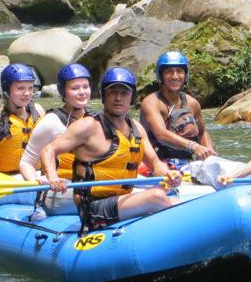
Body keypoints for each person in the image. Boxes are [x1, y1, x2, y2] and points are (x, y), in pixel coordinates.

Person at [40, 67, 181, 232]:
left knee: (178, 200)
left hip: (123, 200)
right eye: (112, 92)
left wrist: (168, 174)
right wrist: (52, 177)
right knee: (156, 196)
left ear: (132, 97)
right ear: (103, 96)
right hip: (93, 209)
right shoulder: (88, 126)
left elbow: (155, 163)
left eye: (124, 93)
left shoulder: (136, 128)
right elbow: (48, 150)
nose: (118, 98)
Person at [18, 63, 92, 215]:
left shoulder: (96, 119)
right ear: (63, 91)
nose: (82, 92)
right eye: (75, 88)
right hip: (61, 189)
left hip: (90, 183)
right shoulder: (51, 122)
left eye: (85, 87)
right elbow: (26, 162)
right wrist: (38, 181)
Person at [140, 51, 215, 171]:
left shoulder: (192, 103)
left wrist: (209, 156)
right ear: (161, 75)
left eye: (179, 71)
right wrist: (193, 146)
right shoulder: (151, 103)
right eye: (169, 72)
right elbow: (161, 134)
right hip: (157, 163)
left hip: (186, 162)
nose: (175, 76)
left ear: (186, 75)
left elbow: (202, 132)